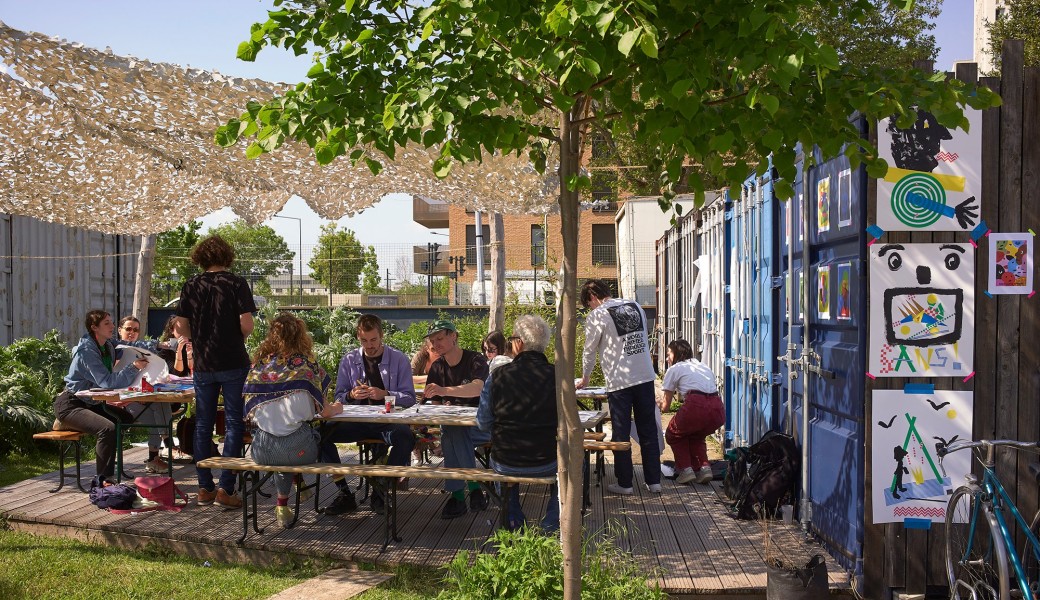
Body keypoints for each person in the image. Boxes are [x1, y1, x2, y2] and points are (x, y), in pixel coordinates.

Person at [175, 234, 256, 509]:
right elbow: (247, 324)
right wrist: (236, 337)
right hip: (233, 360)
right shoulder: (236, 283)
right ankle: (226, 488)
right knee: (233, 423)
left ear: (201, 258)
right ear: (226, 256)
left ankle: (204, 487)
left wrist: (197, 339)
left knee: (202, 424)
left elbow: (181, 327)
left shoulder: (191, 285)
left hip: (204, 363)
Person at [243, 314, 343, 527]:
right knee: (309, 437)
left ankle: (283, 504)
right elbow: (324, 412)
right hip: (297, 450)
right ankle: (298, 482)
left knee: (282, 443)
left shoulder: (259, 366)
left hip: (261, 449)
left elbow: (250, 411)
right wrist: (337, 407)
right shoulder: (306, 365)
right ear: (301, 334)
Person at [320, 314, 416, 516]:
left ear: (382, 336)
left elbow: (409, 398)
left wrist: (386, 394)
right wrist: (351, 394)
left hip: (386, 422)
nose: (369, 345)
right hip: (357, 421)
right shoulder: (349, 360)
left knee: (406, 437)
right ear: (358, 337)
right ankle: (344, 493)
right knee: (320, 436)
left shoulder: (398, 359)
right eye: (364, 340)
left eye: (373, 340)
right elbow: (339, 396)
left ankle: (381, 489)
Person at [577, 279, 662, 495]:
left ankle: (625, 483)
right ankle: (654, 481)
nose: (590, 308)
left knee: (621, 432)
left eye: (589, 304)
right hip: (645, 375)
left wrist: (585, 378)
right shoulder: (634, 305)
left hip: (619, 381)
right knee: (648, 429)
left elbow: (589, 350)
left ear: (592, 298)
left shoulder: (598, 314)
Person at [477, 315, 559, 532]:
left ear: (519, 343)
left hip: (507, 460)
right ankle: (551, 525)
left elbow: (483, 423)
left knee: (500, 467)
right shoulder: (558, 377)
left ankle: (515, 522)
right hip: (548, 460)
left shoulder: (498, 376)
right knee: (577, 465)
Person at [52, 310, 150, 478]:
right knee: (107, 428)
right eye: (107, 323)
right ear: (94, 327)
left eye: (112, 322)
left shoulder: (107, 345)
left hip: (92, 402)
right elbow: (107, 382)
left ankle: (112, 470)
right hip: (71, 404)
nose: (112, 326)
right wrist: (134, 367)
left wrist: (163, 345)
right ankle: (104, 480)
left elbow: (130, 346)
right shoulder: (87, 351)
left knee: (125, 419)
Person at [422, 319, 490, 518]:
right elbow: (434, 404)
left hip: (482, 426)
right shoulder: (437, 367)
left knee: (451, 433)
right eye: (432, 341)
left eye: (440, 338)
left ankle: (458, 496)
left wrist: (445, 391)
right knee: (452, 430)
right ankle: (474, 488)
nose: (436, 344)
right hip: (454, 427)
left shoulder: (475, 359)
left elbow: (478, 387)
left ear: (454, 336)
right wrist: (441, 407)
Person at [658, 339, 724, 485]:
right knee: (697, 435)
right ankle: (704, 469)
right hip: (717, 408)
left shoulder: (674, 369)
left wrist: (656, 402)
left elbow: (665, 407)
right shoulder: (702, 366)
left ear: (676, 353)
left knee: (673, 433)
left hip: (696, 405)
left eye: (669, 354)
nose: (668, 358)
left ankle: (685, 470)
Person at [115, 315, 176, 472]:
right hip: (118, 403)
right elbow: (114, 383)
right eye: (128, 329)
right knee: (157, 408)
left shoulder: (139, 352)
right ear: (119, 330)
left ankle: (155, 456)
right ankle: (165, 442)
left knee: (157, 404)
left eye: (135, 330)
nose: (132, 333)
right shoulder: (116, 351)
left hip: (137, 399)